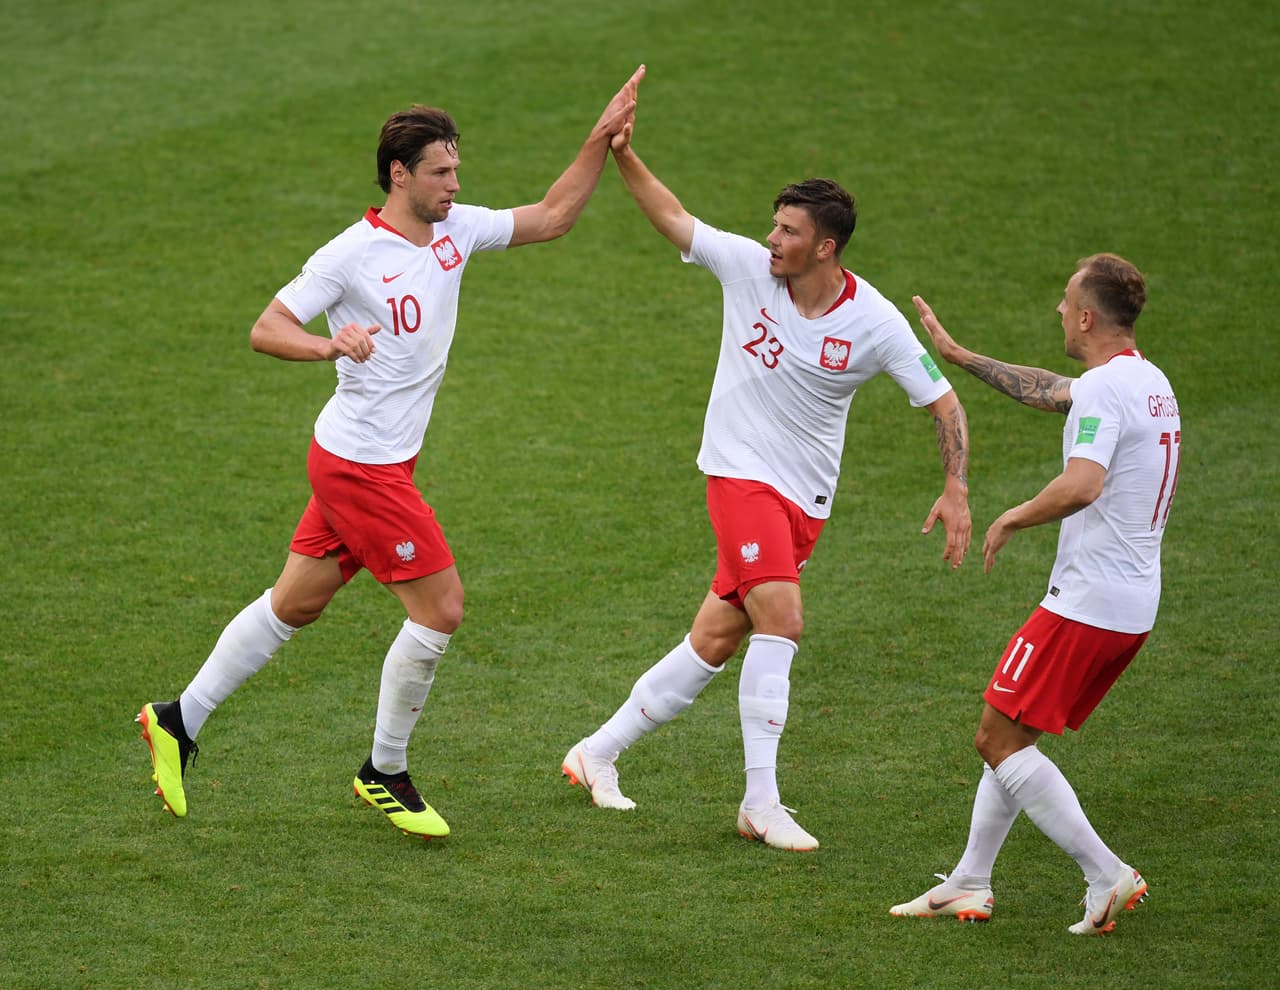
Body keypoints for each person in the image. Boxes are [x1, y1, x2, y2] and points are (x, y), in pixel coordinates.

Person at [137, 66, 646, 839]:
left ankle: (177, 719)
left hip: (377, 461)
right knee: (441, 608)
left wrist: (599, 141)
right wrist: (327, 345)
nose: (454, 183)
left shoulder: (458, 230)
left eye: (457, 170)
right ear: (400, 174)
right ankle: (384, 770)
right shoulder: (350, 254)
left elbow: (552, 216)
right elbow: (265, 327)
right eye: (441, 172)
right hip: (358, 467)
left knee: (295, 604)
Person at [560, 111, 973, 851]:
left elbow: (942, 399)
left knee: (716, 638)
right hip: (738, 476)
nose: (772, 239)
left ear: (826, 246)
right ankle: (761, 801)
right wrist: (624, 154)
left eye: (787, 231)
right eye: (772, 225)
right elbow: (675, 217)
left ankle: (596, 753)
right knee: (782, 621)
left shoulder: (874, 322)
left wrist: (957, 488)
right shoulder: (750, 268)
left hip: (803, 501)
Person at [889, 253, 1181, 934]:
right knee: (1013, 732)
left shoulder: (1107, 391)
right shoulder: (1147, 380)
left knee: (996, 735)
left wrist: (1011, 516)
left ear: (1086, 316)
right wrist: (959, 355)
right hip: (1130, 604)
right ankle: (969, 880)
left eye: (1064, 300)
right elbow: (1051, 390)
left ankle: (1106, 873)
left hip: (1086, 603)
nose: (1057, 310)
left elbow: (1084, 483)